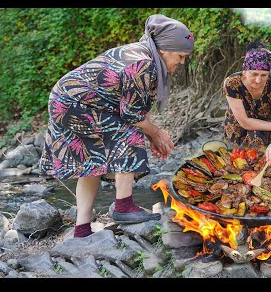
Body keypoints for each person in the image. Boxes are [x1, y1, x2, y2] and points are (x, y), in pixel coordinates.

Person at [39, 14, 194, 238]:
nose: (181, 62)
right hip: (75, 104)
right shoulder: (144, 63)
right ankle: (123, 206)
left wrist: (152, 134)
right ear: (165, 49)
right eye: (180, 56)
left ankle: (81, 230)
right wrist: (156, 133)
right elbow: (132, 116)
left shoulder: (140, 53)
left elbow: (133, 108)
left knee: (92, 163)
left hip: (65, 99)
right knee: (128, 135)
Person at [222, 41, 271, 165]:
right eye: (254, 74)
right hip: (240, 128)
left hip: (266, 129)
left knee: (266, 163)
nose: (258, 80)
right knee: (239, 163)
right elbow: (245, 122)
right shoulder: (232, 83)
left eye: (264, 75)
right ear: (245, 70)